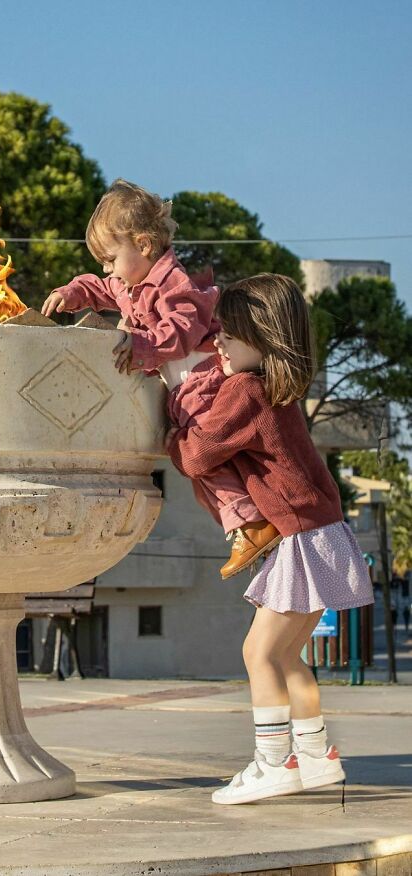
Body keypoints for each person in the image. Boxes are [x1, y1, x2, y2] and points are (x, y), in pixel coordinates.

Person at [166, 273, 374, 805]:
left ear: (260, 337)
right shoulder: (279, 391)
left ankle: (273, 764)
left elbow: (197, 455)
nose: (218, 344)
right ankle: (317, 757)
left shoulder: (245, 390)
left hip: (302, 540)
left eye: (229, 336)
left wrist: (171, 429)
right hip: (328, 534)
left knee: (258, 652)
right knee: (287, 656)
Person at [41, 179, 280, 577]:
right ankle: (242, 525)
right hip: (182, 384)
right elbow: (99, 287)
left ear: (144, 245)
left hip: (200, 379)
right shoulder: (127, 282)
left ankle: (251, 521)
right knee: (188, 459)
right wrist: (72, 292)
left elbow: (182, 330)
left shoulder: (174, 283)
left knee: (201, 455)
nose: (106, 268)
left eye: (111, 257)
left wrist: (140, 345)